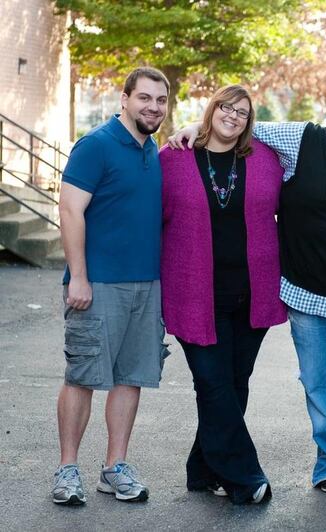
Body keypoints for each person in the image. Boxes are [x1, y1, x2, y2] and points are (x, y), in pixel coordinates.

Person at [168, 81, 326, 495]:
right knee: (319, 391)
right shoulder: (302, 139)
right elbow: (240, 125)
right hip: (308, 296)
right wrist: (197, 123)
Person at [159, 85, 285, 505]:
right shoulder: (173, 158)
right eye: (226, 108)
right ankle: (244, 476)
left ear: (251, 121)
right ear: (211, 109)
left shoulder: (266, 159)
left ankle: (202, 469)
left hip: (251, 293)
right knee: (212, 384)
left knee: (234, 383)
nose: (233, 116)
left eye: (243, 113)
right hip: (193, 293)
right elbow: (151, 221)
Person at [52, 67, 170, 505]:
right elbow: (69, 211)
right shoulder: (96, 146)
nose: (152, 107)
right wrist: (78, 276)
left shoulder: (154, 150)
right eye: (144, 98)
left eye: (160, 100)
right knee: (82, 376)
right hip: (97, 285)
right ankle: (67, 470)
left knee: (130, 377)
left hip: (147, 284)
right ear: (124, 99)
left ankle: (114, 468)